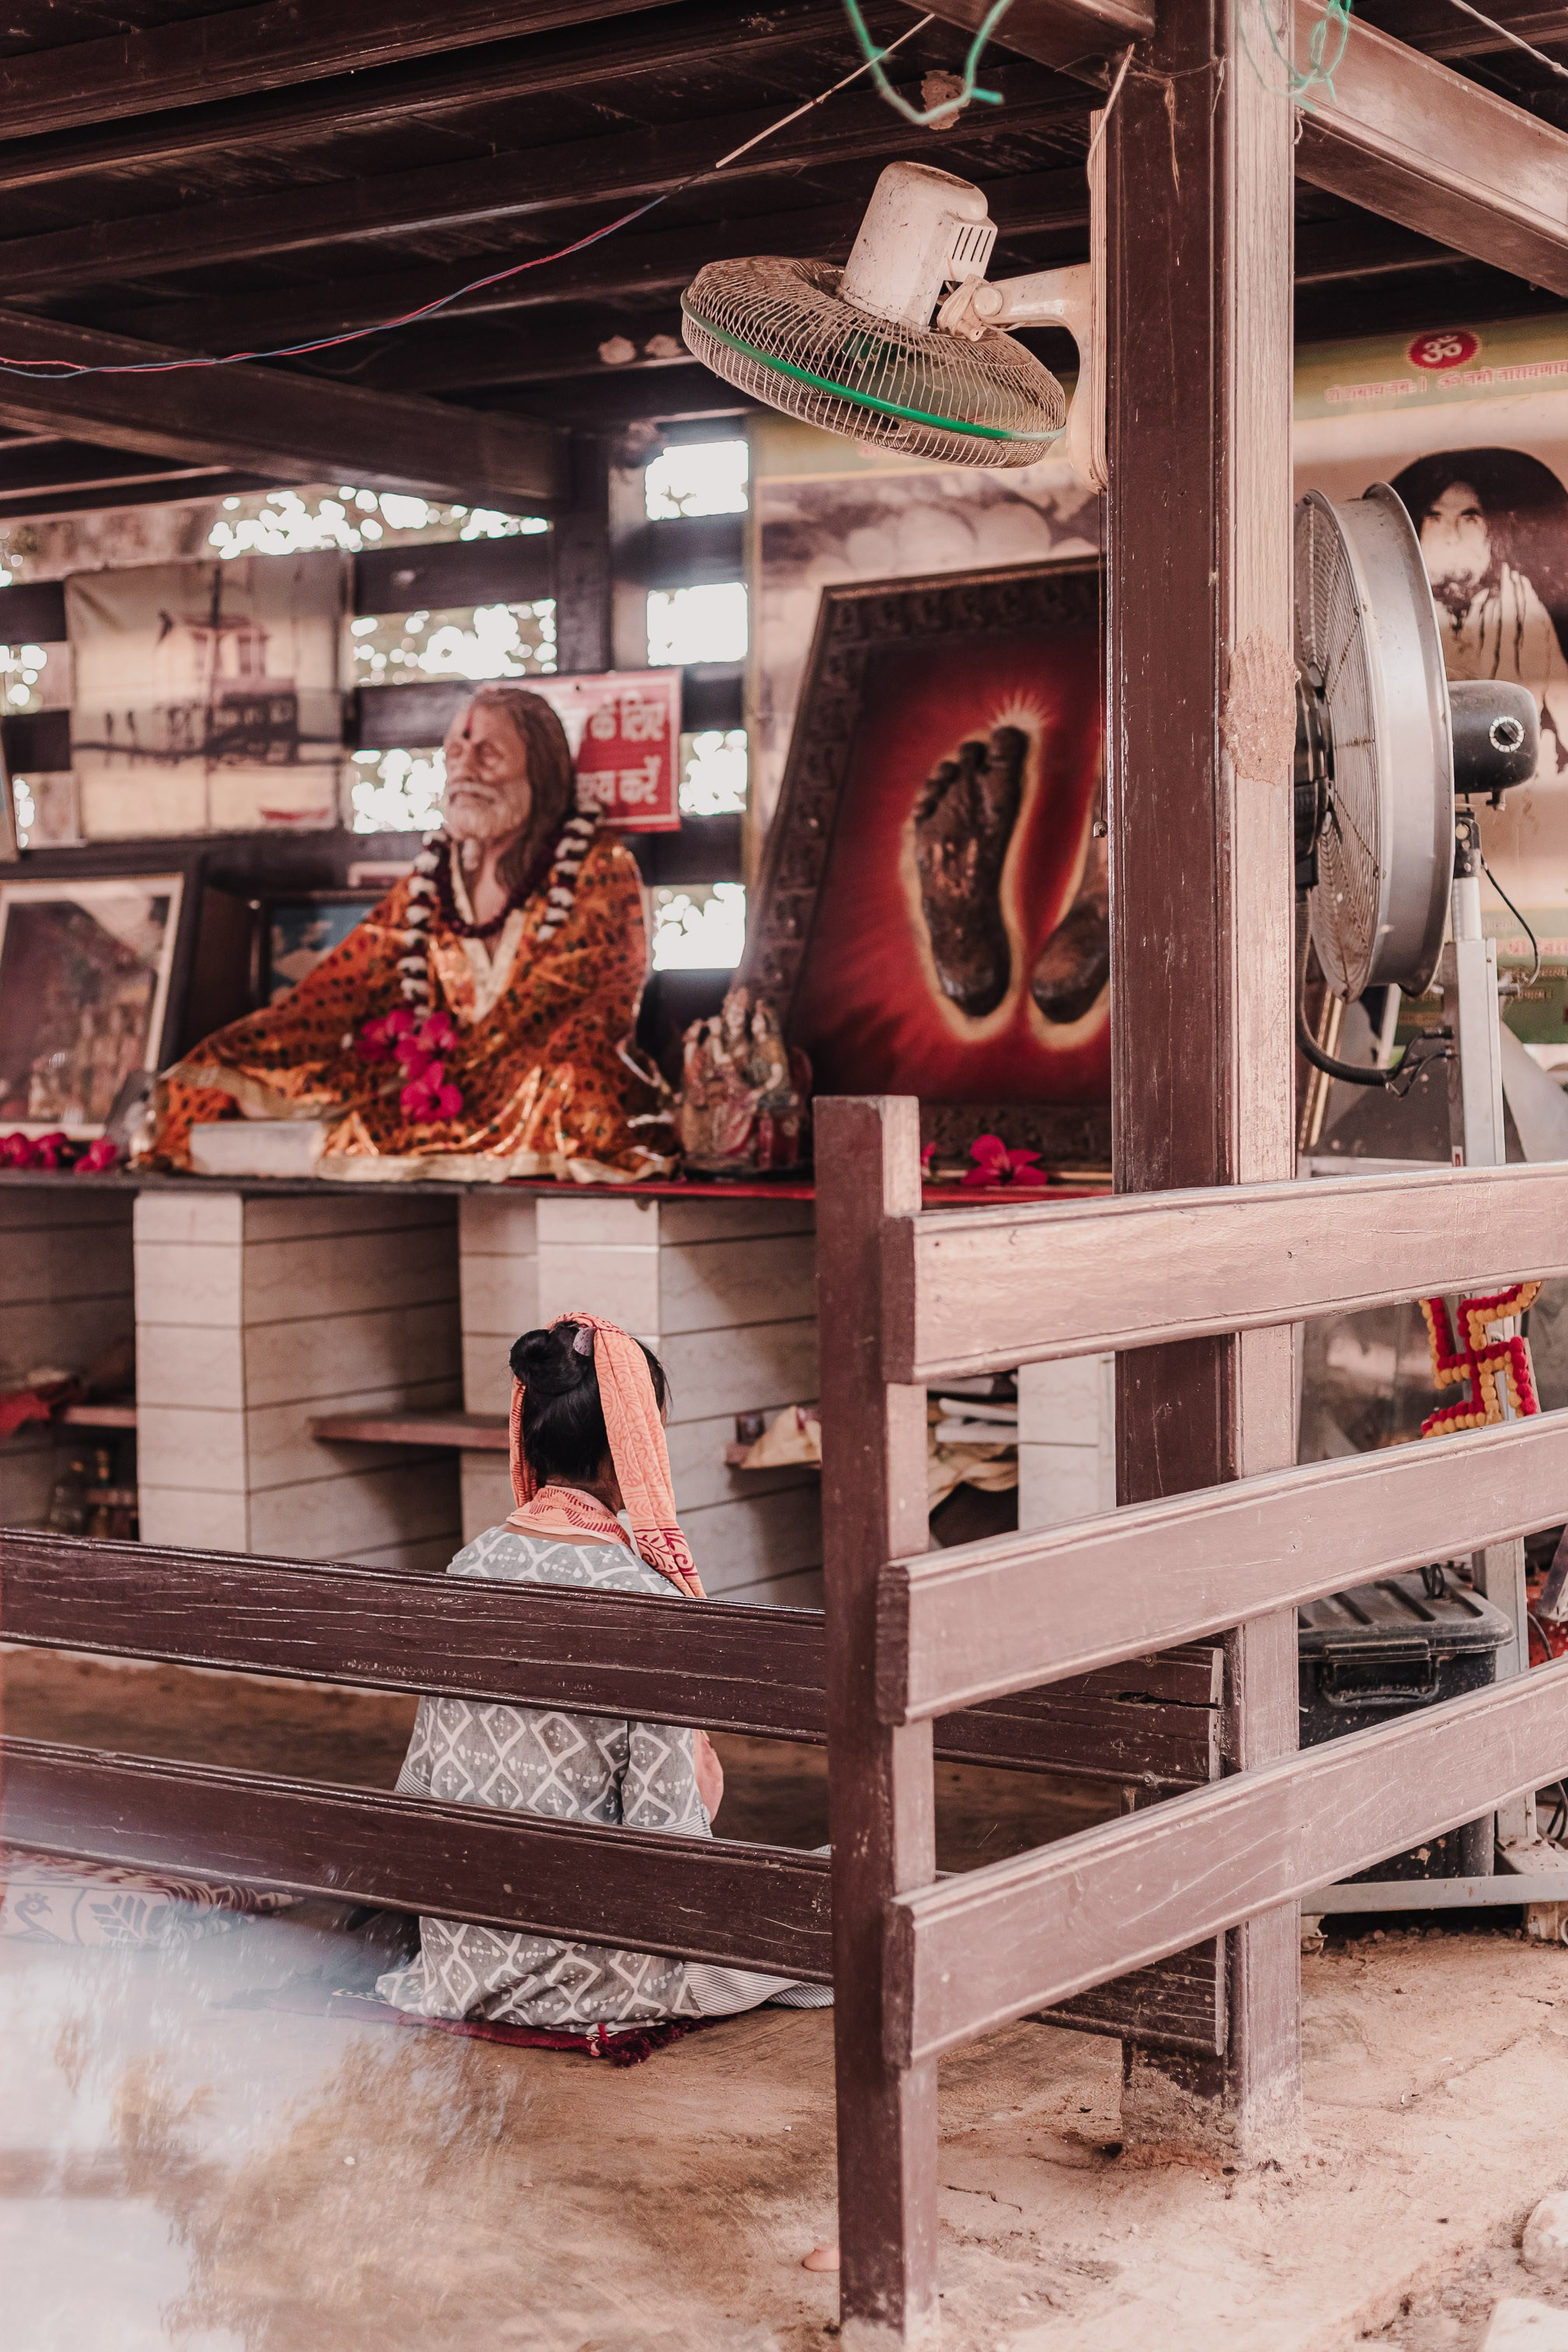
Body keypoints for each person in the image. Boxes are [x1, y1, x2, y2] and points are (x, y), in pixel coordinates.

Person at [375, 1311, 830, 2031]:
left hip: (462, 1955)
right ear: (634, 1448)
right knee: (843, 1893)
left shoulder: (470, 1566)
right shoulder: (644, 1598)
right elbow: (666, 1844)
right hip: (592, 1971)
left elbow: (421, 1787)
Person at [142, 686, 674, 1181]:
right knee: (304, 1088)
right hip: (447, 1080)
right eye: (455, 753)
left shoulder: (599, 865)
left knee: (576, 1088)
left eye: (488, 754)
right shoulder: (432, 880)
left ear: (542, 770)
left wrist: (462, 1070)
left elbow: (584, 999)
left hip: (537, 1073)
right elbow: (341, 989)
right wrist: (238, 1056)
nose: (465, 769)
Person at [1391, 448, 1568, 783]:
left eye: (1469, 518)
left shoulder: (1522, 602)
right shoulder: (1397, 603)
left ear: (1490, 532)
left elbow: (1557, 702)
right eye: (1436, 517)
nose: (1451, 534)